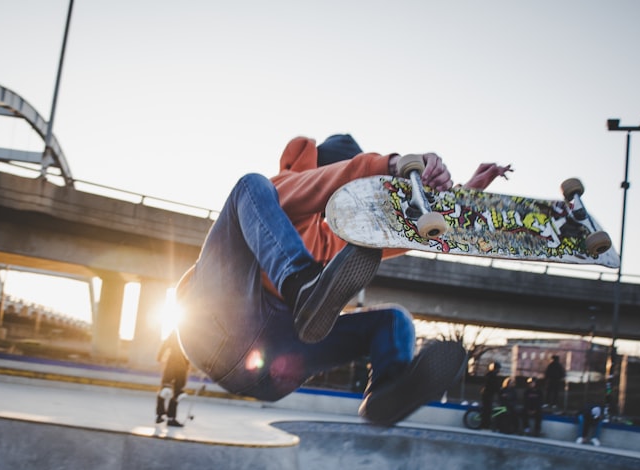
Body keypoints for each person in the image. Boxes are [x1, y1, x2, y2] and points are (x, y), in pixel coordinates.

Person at [175, 134, 511, 424]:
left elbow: (405, 234)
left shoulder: (328, 238)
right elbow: (318, 184)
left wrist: (463, 199)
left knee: (394, 322)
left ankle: (385, 393)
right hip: (213, 332)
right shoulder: (280, 192)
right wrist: (390, 166)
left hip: (269, 370)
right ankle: (301, 286)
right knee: (249, 184)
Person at [155, 331, 190, 427]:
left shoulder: (192, 333)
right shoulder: (177, 331)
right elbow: (166, 344)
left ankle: (170, 418)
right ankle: (161, 415)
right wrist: (160, 356)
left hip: (182, 366)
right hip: (174, 364)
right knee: (165, 389)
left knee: (177, 392)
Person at [480, 361, 502, 430]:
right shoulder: (491, 376)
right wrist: (499, 391)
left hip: (488, 394)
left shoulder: (491, 375)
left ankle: (486, 424)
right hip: (487, 394)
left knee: (488, 409)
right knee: (487, 410)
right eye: (498, 369)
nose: (499, 370)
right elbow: (494, 386)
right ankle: (485, 425)